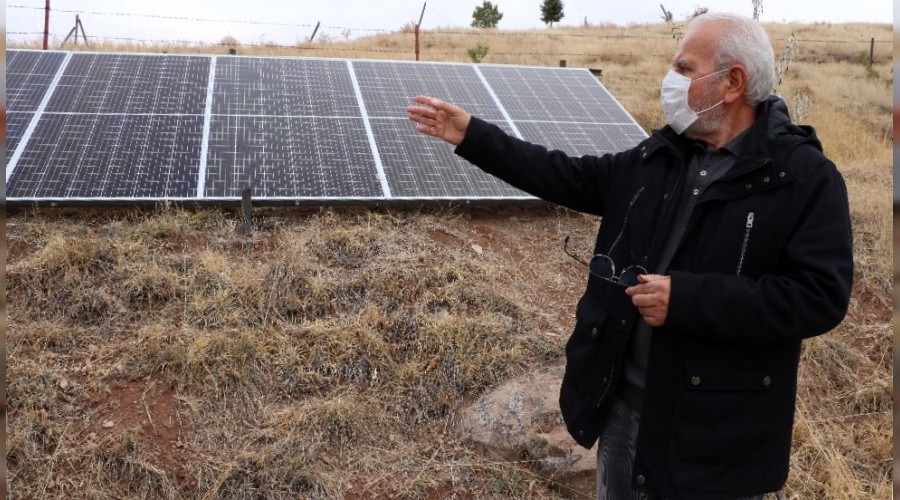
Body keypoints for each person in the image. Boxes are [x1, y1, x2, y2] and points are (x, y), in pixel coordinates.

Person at [407, 12, 853, 500]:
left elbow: (820, 297)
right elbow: (564, 175)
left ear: (733, 82)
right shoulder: (662, 157)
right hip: (624, 410)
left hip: (714, 436)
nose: (671, 79)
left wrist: (687, 300)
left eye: (683, 68)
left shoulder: (802, 178)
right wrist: (473, 136)